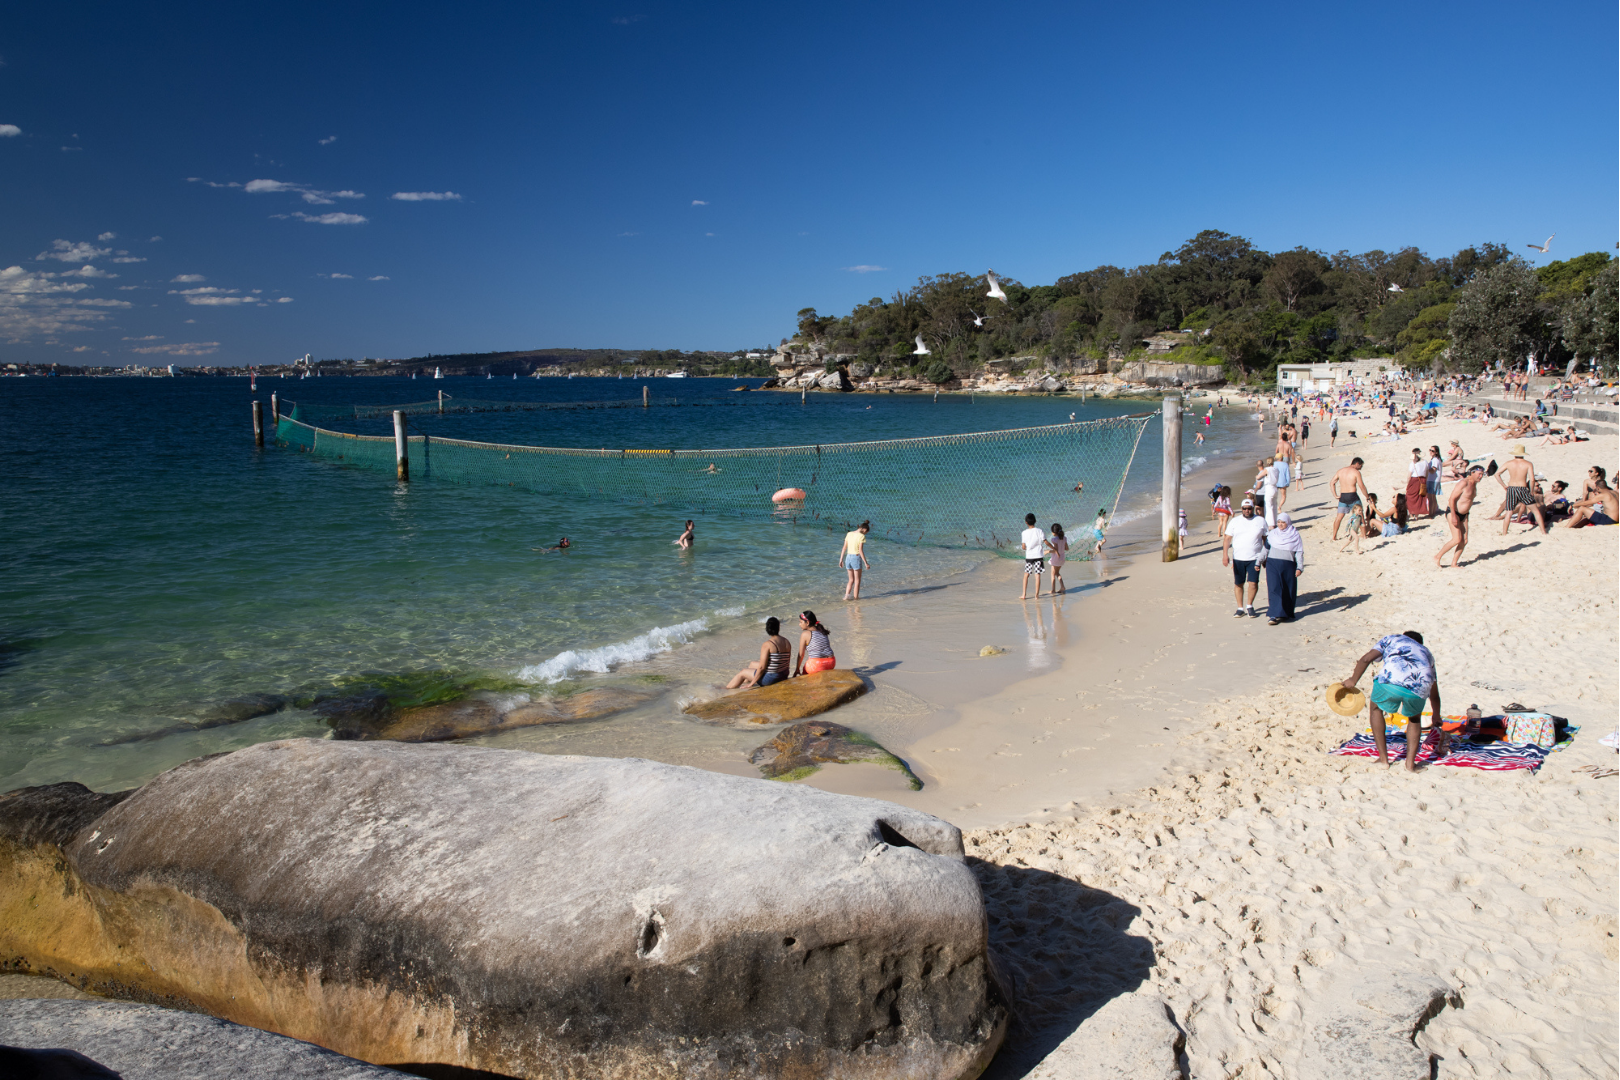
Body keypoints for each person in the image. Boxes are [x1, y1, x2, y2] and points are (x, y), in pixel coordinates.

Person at [1341, 631, 1442, 771]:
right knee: (1414, 719)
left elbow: (1366, 659)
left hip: (1390, 681)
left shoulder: (1393, 638)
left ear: (1404, 636)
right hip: (1419, 687)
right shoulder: (1426, 653)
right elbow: (1434, 692)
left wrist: (1353, 680)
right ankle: (1410, 765)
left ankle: (1383, 760)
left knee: (1376, 709)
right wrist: (1436, 715)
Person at [1221, 498, 1267, 619]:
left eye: (1249, 508)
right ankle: (1240, 608)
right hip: (1238, 558)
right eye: (1244, 509)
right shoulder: (1235, 521)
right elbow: (1227, 539)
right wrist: (1225, 555)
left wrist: (1265, 557)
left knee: (1253, 583)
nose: (1247, 511)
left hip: (1255, 558)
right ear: (1241, 509)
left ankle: (1250, 605)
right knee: (1239, 583)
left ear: (1253, 508)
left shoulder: (1261, 520)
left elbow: (1265, 539)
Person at [1436, 465, 1486, 568]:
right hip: (1453, 512)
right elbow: (1452, 499)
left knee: (1464, 540)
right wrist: (1454, 516)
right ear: (1472, 473)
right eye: (1479, 474)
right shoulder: (1464, 483)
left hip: (1465, 514)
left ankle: (1454, 563)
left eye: (1482, 474)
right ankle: (1437, 557)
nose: (1481, 476)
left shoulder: (1474, 484)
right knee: (1456, 539)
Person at [726, 617, 793, 689]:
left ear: (767, 629)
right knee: (752, 664)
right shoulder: (786, 641)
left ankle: (726, 689)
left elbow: (762, 667)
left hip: (771, 678)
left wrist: (752, 684)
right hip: (784, 675)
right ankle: (746, 681)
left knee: (743, 672)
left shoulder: (768, 644)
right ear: (778, 628)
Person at [1496, 445, 1547, 534]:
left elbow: (1497, 474)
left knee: (1509, 512)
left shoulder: (1509, 463)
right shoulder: (1528, 464)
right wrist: (1531, 491)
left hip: (1511, 488)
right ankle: (1543, 532)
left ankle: (1504, 532)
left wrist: (1503, 485)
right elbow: (1532, 479)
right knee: (1535, 510)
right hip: (1522, 488)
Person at [1264, 511, 1304, 624]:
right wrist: (1258, 562)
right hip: (1272, 564)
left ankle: (1285, 613)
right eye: (1279, 522)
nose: (1281, 524)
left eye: (1283, 522)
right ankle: (1273, 614)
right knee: (1274, 588)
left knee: (1287, 589)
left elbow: (1299, 552)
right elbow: (1265, 549)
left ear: (1288, 523)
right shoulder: (1272, 534)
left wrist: (1299, 567)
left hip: (1289, 565)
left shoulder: (1295, 535)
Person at [1330, 458, 1369, 540]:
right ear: (1357, 463)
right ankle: (1364, 535)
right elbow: (1362, 486)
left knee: (1339, 517)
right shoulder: (1356, 472)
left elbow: (1332, 483)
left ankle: (1334, 536)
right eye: (1361, 466)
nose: (1361, 468)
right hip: (1352, 496)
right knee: (1360, 515)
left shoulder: (1340, 471)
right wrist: (1367, 497)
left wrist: (1335, 495)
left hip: (1343, 497)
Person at [839, 521, 871, 600]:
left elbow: (844, 548)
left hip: (848, 558)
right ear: (864, 529)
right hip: (855, 558)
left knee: (850, 580)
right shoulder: (861, 536)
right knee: (857, 581)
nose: (864, 534)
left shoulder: (849, 534)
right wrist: (866, 563)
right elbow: (860, 550)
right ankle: (856, 599)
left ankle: (846, 596)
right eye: (865, 532)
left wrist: (841, 560)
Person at [1020, 513, 1046, 599]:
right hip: (1038, 555)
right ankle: (1036, 595)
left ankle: (1024, 594)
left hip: (1029, 556)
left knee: (1026, 575)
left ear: (1026, 522)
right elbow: (1044, 541)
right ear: (1035, 521)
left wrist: (1026, 547)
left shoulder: (1024, 533)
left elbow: (1023, 547)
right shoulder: (1039, 531)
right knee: (1037, 575)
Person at [1405, 448, 1430, 517]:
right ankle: (1417, 514)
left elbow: (1409, 476)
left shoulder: (1413, 464)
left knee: (1410, 496)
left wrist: (1408, 484)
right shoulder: (1425, 462)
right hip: (1423, 480)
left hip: (1415, 480)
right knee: (1420, 497)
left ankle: (1411, 513)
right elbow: (1427, 472)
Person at [1045, 523, 1069, 594]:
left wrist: (1047, 551)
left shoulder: (1054, 539)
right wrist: (1062, 547)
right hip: (1062, 557)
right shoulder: (1064, 538)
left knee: (1053, 574)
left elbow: (1056, 550)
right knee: (1057, 573)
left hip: (1056, 558)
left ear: (1054, 532)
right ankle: (1062, 586)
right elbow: (1067, 548)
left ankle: (1053, 590)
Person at [1426, 445, 1443, 517]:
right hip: (1433, 480)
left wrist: (1425, 469)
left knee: (1430, 498)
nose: (1431, 452)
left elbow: (1433, 470)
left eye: (1432, 451)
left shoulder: (1435, 460)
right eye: (1430, 450)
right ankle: (1435, 510)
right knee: (1433, 497)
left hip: (1433, 480)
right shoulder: (1434, 459)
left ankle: (1431, 513)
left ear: (1436, 452)